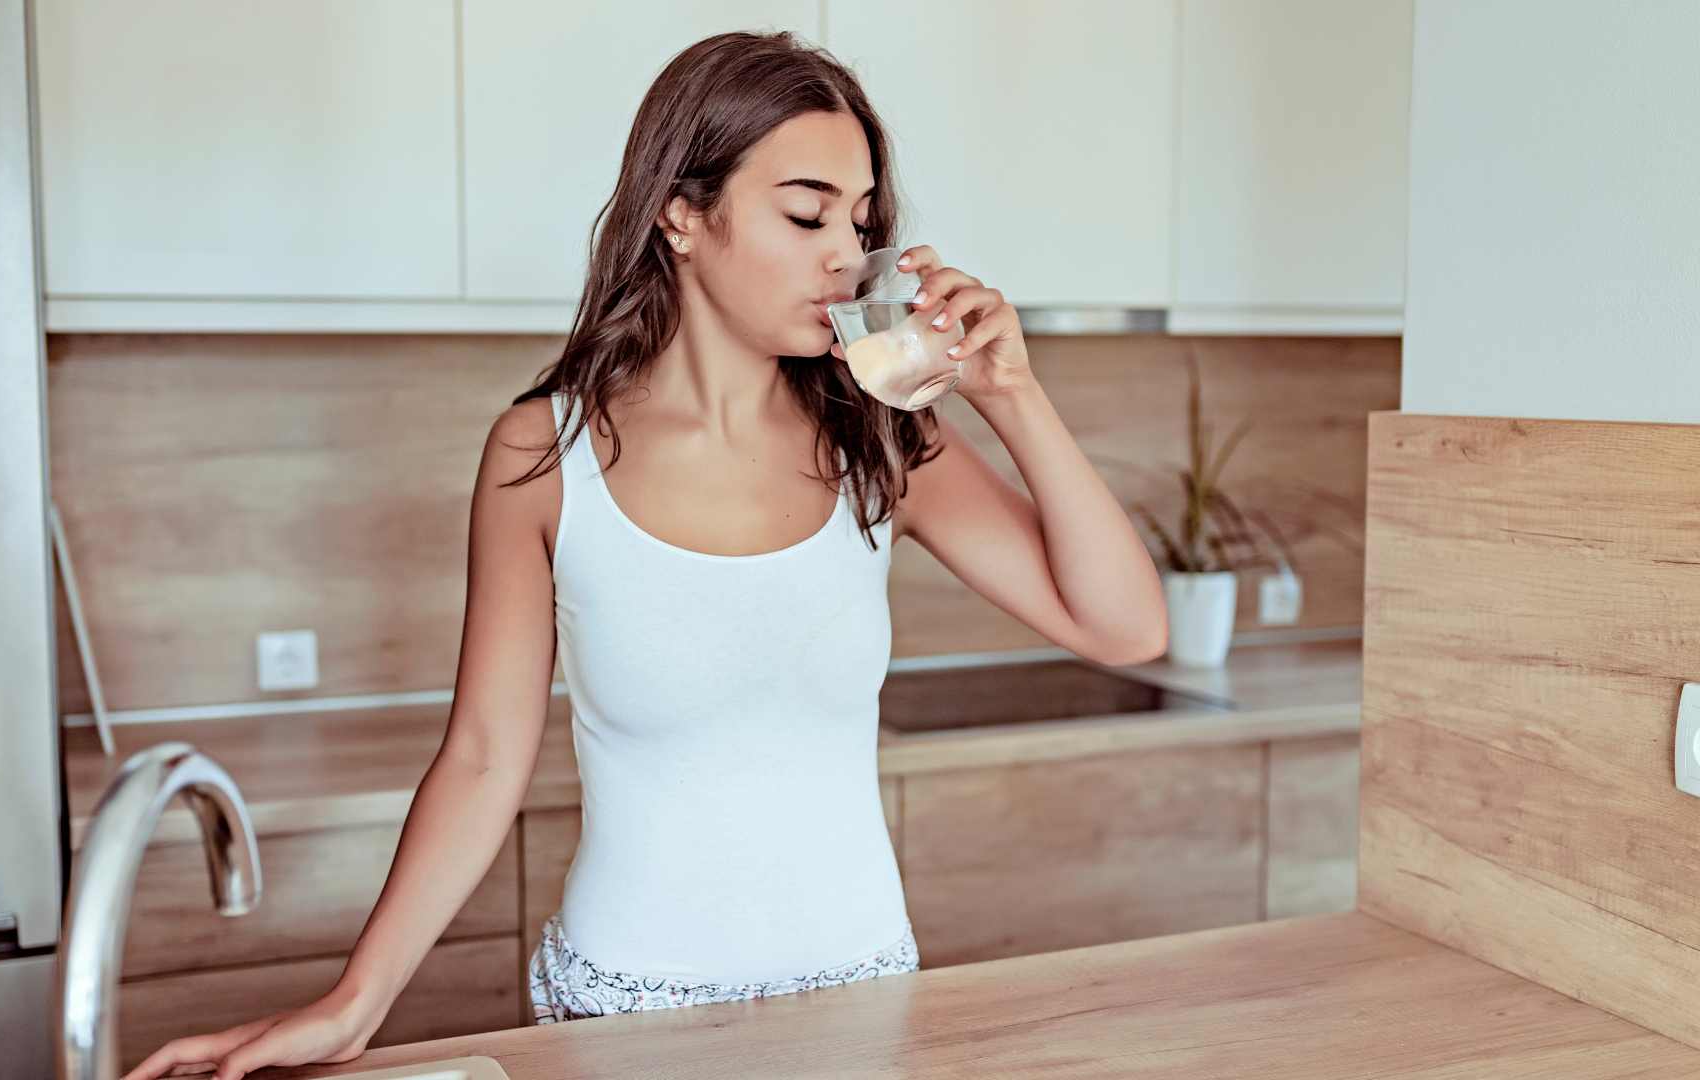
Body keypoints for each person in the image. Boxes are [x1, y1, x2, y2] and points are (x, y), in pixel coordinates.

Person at [125, 28, 1167, 1080]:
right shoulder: (545, 453)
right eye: (806, 213)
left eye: (860, 221)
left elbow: (1127, 626)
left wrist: (1013, 396)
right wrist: (354, 1003)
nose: (845, 254)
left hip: (861, 1002)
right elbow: (486, 754)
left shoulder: (883, 439)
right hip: (620, 1018)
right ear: (681, 211)